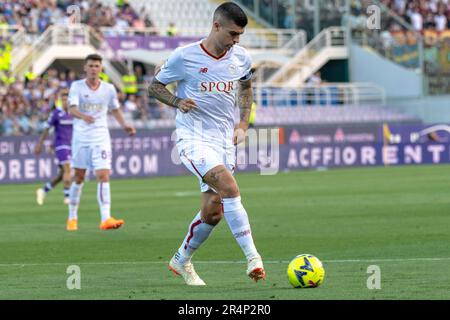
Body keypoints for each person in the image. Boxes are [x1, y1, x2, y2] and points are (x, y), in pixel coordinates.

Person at [148, 2, 265, 286]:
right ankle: (253, 259)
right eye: (233, 33)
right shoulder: (184, 56)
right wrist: (177, 101)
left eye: (240, 35)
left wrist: (243, 124)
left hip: (225, 140)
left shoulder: (240, 57)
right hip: (193, 138)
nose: (236, 40)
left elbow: (247, 87)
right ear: (216, 26)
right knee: (229, 187)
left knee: (213, 211)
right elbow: (154, 86)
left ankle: (181, 259)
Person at [67, 53, 136, 231]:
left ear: (101, 68)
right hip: (81, 138)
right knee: (79, 177)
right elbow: (71, 109)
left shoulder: (109, 89)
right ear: (85, 67)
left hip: (100, 137)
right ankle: (72, 217)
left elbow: (115, 110)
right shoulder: (77, 87)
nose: (93, 69)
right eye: (90, 66)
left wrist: (125, 125)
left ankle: (106, 218)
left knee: (103, 175)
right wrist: (84, 116)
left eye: (96, 66)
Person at [35, 88, 73, 205]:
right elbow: (47, 129)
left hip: (71, 145)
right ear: (61, 101)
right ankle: (67, 196)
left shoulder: (73, 113)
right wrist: (40, 144)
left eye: (67, 99)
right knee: (68, 169)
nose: (65, 102)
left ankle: (43, 190)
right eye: (64, 99)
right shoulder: (56, 113)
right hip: (61, 145)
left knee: (62, 174)